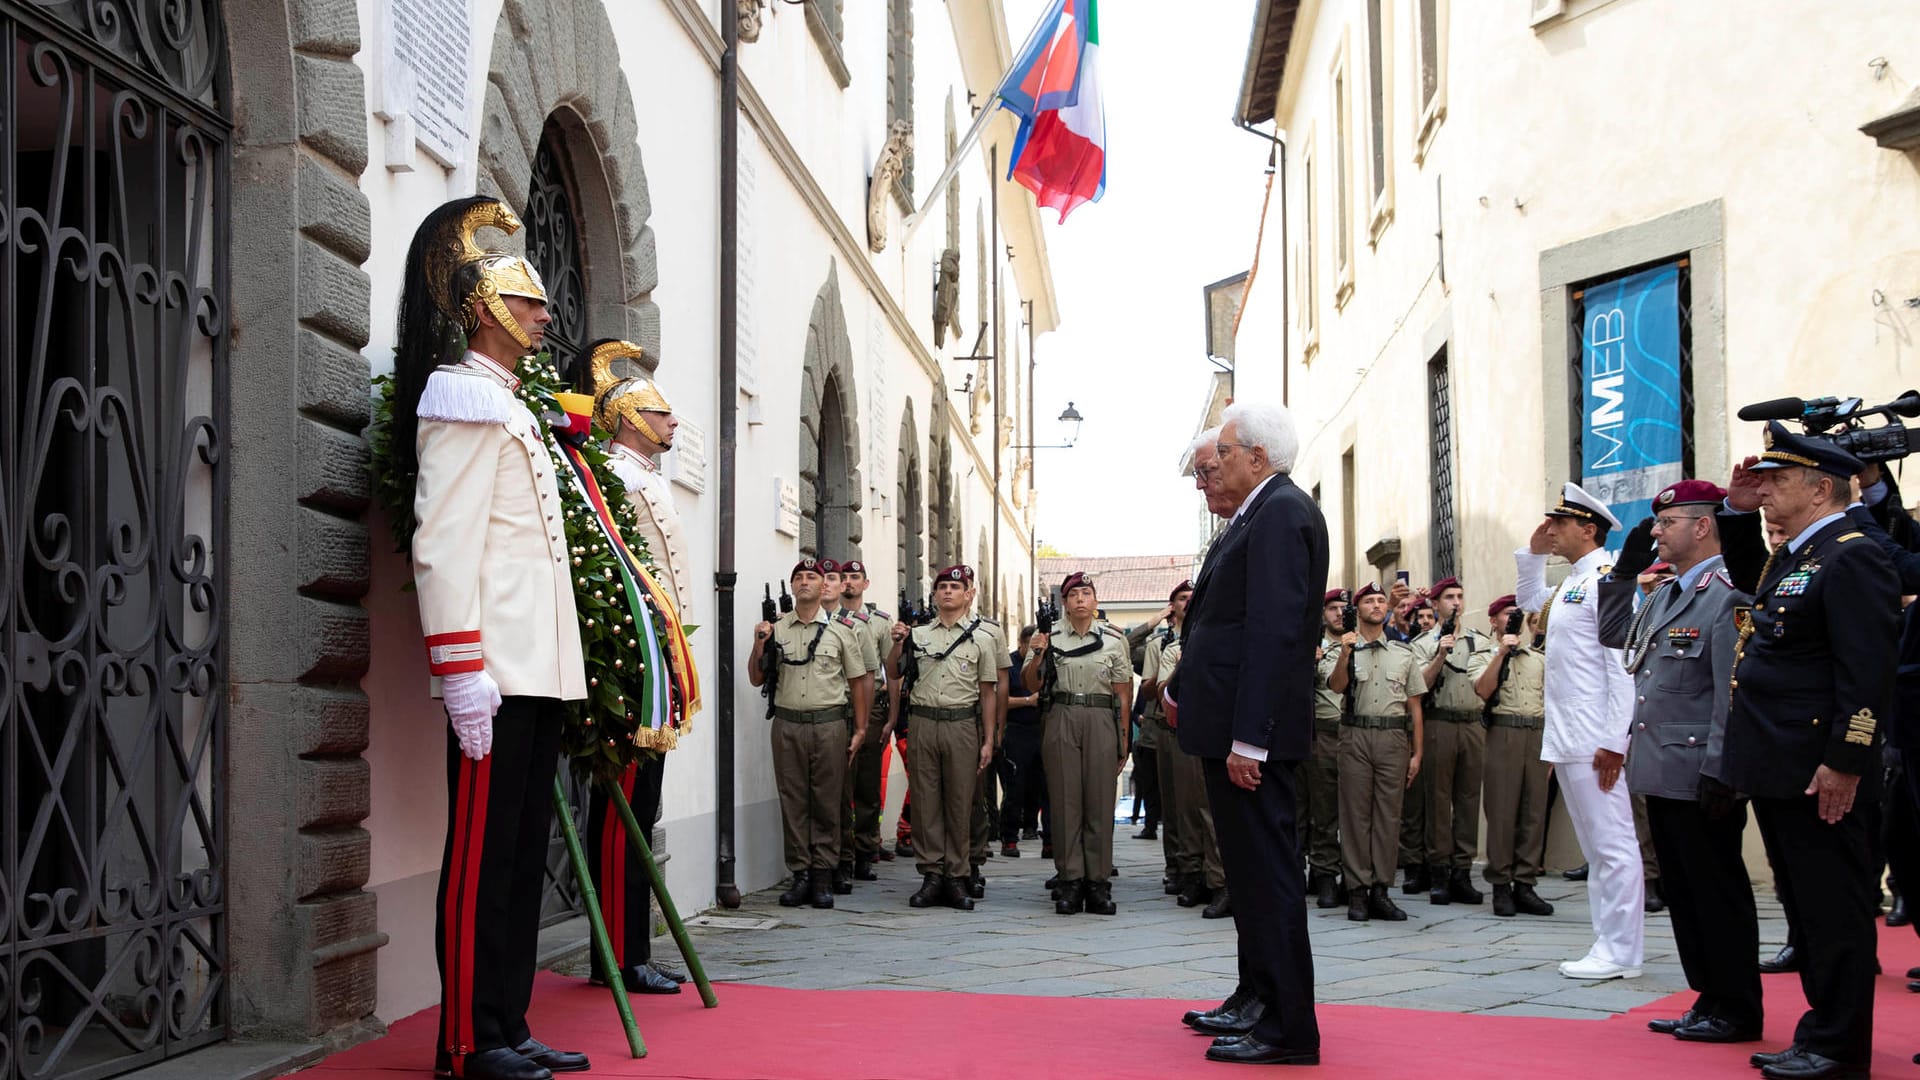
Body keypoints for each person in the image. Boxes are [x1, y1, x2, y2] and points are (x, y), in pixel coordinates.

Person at [395, 196, 590, 1080]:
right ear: (484, 310)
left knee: (517, 858)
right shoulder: (466, 396)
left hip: (537, 670)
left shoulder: (515, 405)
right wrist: (460, 666)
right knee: (478, 859)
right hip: (495, 671)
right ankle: (466, 1042)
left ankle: (508, 1024)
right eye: (529, 302)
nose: (546, 316)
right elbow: (445, 541)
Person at [1725, 424, 1896, 1080]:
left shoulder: (1851, 555)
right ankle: (1822, 1032)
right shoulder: (1799, 554)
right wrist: (1738, 512)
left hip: (1820, 768)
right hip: (1781, 764)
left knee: (1835, 911)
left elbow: (1866, 673)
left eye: (1777, 481)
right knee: (1807, 909)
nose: (1764, 490)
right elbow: (1752, 586)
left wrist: (1846, 762)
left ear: (1820, 488)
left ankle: (1837, 1045)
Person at [1169, 403, 1327, 1066]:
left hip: (1252, 736)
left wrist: (1251, 740)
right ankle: (1256, 996)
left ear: (1257, 457)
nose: (1215, 464)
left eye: (1225, 453)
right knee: (1251, 875)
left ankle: (1289, 1027)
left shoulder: (1283, 512)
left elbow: (1274, 632)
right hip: (1231, 725)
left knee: (1269, 877)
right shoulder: (1259, 512)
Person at [1597, 479, 1763, 1044]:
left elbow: (1732, 689)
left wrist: (1723, 767)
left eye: (1667, 523)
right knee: (1687, 894)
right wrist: (1622, 577)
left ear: (1702, 526)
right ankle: (1708, 997)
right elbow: (1616, 635)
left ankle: (1738, 1006)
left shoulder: (1729, 593)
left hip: (1701, 773)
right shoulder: (1668, 593)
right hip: (1661, 770)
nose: (1657, 533)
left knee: (1717, 891)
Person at [583, 339, 690, 997]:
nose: (673, 422)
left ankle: (626, 950)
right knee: (624, 810)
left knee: (639, 808)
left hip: (657, 655)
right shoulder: (618, 476)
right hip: (632, 658)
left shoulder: (646, 475)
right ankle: (620, 956)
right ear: (627, 419)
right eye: (661, 413)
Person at [1516, 482, 1644, 981]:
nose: (1553, 530)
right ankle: (1608, 943)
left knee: (1613, 846)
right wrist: (1532, 553)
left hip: (1596, 738)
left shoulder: (1609, 582)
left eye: (1560, 524)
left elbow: (1621, 669)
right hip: (1570, 735)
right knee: (1597, 849)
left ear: (1588, 529)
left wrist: (1616, 740)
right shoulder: (1575, 582)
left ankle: (1621, 951)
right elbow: (1531, 601)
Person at [748, 558, 873, 910]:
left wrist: (861, 728)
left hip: (829, 724)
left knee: (827, 801)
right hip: (787, 724)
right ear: (792, 587)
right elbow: (756, 678)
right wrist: (760, 644)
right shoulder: (775, 628)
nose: (804, 582)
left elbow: (858, 682)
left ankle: (822, 875)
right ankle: (800, 873)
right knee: (793, 801)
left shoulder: (841, 631)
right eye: (798, 577)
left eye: (811, 577)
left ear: (823, 587)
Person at [886, 564, 1004, 910]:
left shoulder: (982, 637)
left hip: (962, 724)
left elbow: (987, 693)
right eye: (942, 587)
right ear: (934, 595)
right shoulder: (918, 634)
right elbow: (894, 671)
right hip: (923, 722)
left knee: (959, 801)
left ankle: (956, 874)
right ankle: (931, 874)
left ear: (968, 594)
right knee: (925, 802)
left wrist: (987, 739)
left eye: (955, 586)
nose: (948, 592)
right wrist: (897, 644)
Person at [1023, 572, 1132, 916]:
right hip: (1062, 714)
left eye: (1087, 593)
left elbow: (1123, 696)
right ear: (1065, 603)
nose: (1081, 599)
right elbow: (1030, 683)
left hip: (1101, 718)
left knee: (1099, 802)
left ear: (1096, 601)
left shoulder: (1114, 640)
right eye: (1074, 595)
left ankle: (1098, 883)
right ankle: (1070, 880)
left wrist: (1123, 741)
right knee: (1065, 802)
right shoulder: (1048, 637)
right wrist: (1037, 654)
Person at [1329, 583, 1424, 922]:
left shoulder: (1403, 652)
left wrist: (1417, 753)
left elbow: (1414, 706)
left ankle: (1381, 889)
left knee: (1389, 815)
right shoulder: (1347, 648)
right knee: (1355, 816)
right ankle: (1357, 890)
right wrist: (1344, 653)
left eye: (1381, 600)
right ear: (1358, 610)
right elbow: (1337, 686)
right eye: (1369, 600)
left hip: (1393, 737)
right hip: (1355, 734)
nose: (1376, 605)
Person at [1142, 580, 1231, 917]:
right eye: (1183, 599)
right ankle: (1191, 873)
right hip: (1181, 731)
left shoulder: (1223, 637)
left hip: (1218, 730)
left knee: (1213, 810)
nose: (1191, 603)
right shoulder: (1168, 647)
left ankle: (1220, 879)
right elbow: (1161, 692)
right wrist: (1181, 665)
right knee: (1186, 808)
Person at [1473, 595, 1554, 917]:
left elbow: (1551, 701)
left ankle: (1525, 882)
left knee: (1533, 812)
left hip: (1535, 733)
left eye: (1517, 615)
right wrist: (1502, 652)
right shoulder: (1484, 656)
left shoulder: (1538, 659)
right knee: (1502, 812)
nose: (1513, 619)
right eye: (1507, 614)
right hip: (1503, 732)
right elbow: (1482, 690)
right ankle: (1501, 884)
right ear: (1494, 621)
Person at [1412, 577, 1490, 906]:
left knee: (1469, 800)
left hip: (1471, 724)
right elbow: (1419, 686)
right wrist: (1440, 655)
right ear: (1435, 604)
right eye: (1448, 597)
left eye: (1459, 596)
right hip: (1439, 722)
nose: (1455, 602)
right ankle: (1439, 871)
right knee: (1438, 801)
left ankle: (1462, 870)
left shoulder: (1478, 641)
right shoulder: (1422, 642)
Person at [829, 560, 891, 889]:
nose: (849, 582)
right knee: (841, 786)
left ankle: (866, 850)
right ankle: (842, 853)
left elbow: (888, 671)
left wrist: (892, 717)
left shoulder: (878, 623)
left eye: (855, 577)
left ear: (865, 584)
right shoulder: (829, 621)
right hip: (838, 707)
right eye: (844, 577)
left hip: (872, 708)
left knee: (867, 784)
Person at [1305, 590, 1348, 908]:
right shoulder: (1312, 646)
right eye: (1332, 608)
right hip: (1323, 735)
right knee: (1324, 811)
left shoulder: (1364, 643)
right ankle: (1323, 874)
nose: (1338, 613)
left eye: (1343, 608)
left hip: (1357, 732)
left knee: (1356, 812)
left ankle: (1355, 876)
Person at [999, 626, 1045, 858]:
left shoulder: (1047, 660)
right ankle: (1009, 838)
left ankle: (1047, 839)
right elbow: (1001, 700)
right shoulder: (1009, 664)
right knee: (1015, 787)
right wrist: (1028, 700)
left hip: (1043, 730)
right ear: (1022, 643)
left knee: (1044, 786)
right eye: (1031, 645)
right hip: (1017, 730)